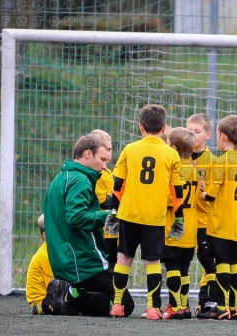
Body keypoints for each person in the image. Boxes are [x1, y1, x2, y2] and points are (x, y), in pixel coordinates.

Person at [42, 134, 135, 317]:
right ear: (87, 154)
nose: (104, 165)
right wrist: (109, 216)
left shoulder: (61, 177)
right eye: (102, 159)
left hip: (65, 258)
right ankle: (68, 296)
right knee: (124, 304)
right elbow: (76, 218)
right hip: (82, 261)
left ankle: (64, 300)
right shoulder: (81, 180)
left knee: (110, 296)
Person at [107, 104, 184, 320]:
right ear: (164, 128)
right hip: (154, 217)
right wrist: (179, 218)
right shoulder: (171, 154)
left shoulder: (129, 150)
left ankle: (117, 305)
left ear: (141, 127)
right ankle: (153, 308)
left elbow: (118, 185)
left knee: (123, 259)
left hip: (128, 214)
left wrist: (112, 213)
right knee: (153, 263)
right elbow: (177, 191)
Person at [197, 115, 237, 320]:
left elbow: (210, 194)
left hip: (220, 223)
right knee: (233, 263)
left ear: (221, 136)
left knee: (221, 263)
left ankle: (220, 307)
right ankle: (235, 307)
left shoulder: (221, 161)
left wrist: (203, 191)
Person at [161, 127, 199, 319]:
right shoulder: (193, 172)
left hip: (175, 228)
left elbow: (170, 200)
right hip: (191, 229)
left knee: (173, 267)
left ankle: (174, 306)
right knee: (184, 267)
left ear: (173, 147)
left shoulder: (174, 172)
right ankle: (184, 306)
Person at [186, 113, 218, 312]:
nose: (191, 135)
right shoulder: (179, 158)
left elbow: (215, 192)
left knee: (208, 261)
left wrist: (205, 189)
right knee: (181, 262)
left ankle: (211, 301)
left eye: (196, 132)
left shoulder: (213, 162)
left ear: (207, 135)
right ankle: (181, 304)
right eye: (188, 131)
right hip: (184, 219)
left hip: (204, 220)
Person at [196, 217, 237, 317]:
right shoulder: (211, 222)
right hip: (217, 282)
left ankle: (221, 306)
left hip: (228, 282)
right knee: (208, 308)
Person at [92, 129, 118, 269]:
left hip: (113, 229)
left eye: (110, 149)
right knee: (105, 266)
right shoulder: (97, 174)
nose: (108, 154)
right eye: (104, 150)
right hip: (102, 230)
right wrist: (121, 198)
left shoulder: (108, 172)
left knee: (114, 264)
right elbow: (102, 200)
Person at [25, 214, 54, 315]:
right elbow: (55, 284)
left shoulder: (53, 251)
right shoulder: (45, 255)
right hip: (41, 301)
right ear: (45, 236)